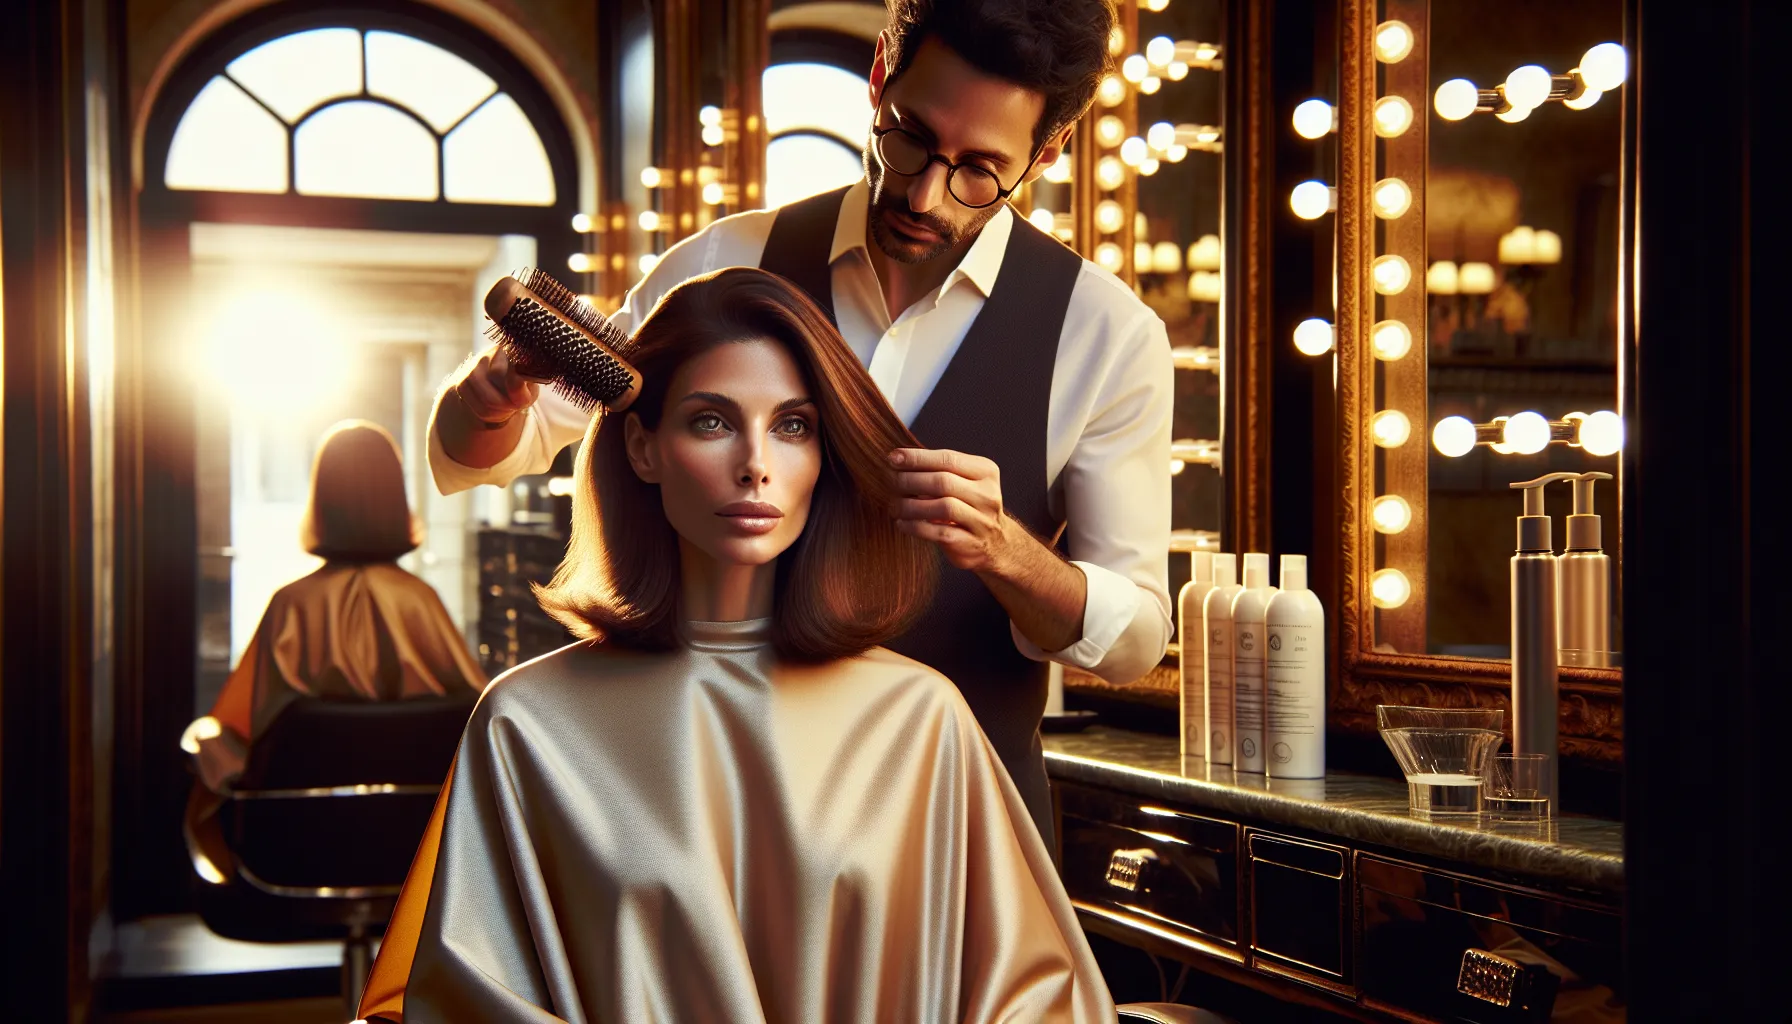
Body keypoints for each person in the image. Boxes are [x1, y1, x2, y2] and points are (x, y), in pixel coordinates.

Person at [431, 0, 1172, 848]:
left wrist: (1005, 550)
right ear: (880, 76)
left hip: (960, 829)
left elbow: (1135, 638)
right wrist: (483, 401)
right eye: (909, 138)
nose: (924, 193)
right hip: (713, 813)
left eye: (978, 170)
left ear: (1045, 154)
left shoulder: (1105, 334)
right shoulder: (724, 262)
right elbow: (497, 451)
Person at [358, 268, 1114, 1023]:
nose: (755, 464)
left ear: (825, 458)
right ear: (643, 449)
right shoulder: (528, 724)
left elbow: (1036, 999)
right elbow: (464, 999)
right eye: (711, 422)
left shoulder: (919, 719)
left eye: (792, 426)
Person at [181, 421, 487, 870]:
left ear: (321, 500)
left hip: (297, 846)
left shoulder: (292, 606)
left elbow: (247, 729)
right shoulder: (421, 604)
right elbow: (474, 721)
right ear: (394, 500)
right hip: (414, 852)